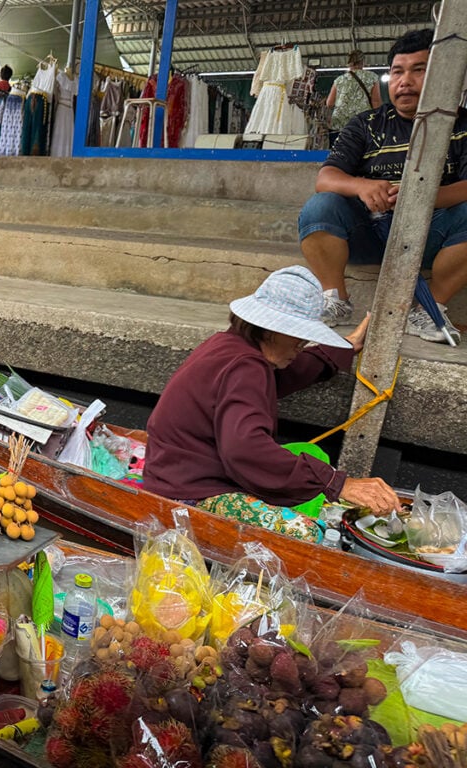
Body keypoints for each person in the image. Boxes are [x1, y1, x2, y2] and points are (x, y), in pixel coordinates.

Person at [144, 265, 400, 543]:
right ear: (271, 330)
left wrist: (343, 348)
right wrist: (337, 483)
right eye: (298, 336)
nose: (302, 344)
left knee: (315, 474)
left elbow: (291, 370)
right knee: (309, 533)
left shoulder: (230, 345)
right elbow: (246, 449)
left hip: (177, 471)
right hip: (188, 490)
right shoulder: (245, 365)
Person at [299, 28, 467, 344]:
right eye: (397, 72)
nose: (405, 81)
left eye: (419, 71)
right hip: (372, 235)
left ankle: (430, 308)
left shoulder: (462, 125)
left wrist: (422, 197)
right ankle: (335, 300)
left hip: (436, 239)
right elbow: (326, 178)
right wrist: (362, 186)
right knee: (320, 207)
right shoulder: (366, 124)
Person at [325, 50, 381, 144]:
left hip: (339, 126)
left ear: (349, 63)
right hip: (362, 124)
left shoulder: (339, 80)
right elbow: (376, 103)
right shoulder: (372, 77)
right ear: (363, 62)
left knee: (339, 154)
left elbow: (329, 103)